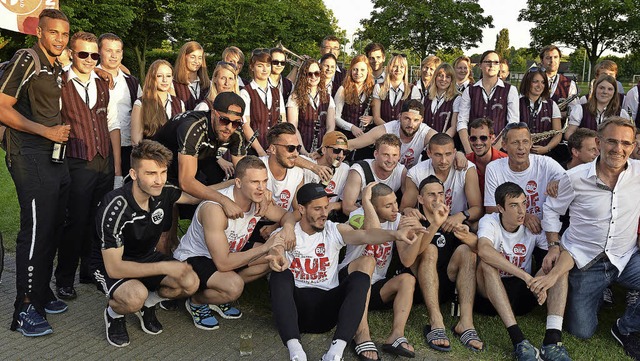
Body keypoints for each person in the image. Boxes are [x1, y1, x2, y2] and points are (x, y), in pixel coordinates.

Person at [268, 182, 425, 361]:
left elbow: (366, 235)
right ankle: (296, 352)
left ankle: (335, 354)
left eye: (326, 207)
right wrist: (276, 255)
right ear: (302, 209)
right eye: (317, 209)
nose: (324, 213)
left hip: (327, 309)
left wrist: (395, 235)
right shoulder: (287, 233)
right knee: (280, 274)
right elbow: (276, 248)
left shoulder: (333, 229)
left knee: (360, 278)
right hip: (295, 310)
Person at [541, 117, 640, 359]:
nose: (619, 149)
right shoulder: (575, 178)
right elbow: (552, 210)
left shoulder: (638, 174)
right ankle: (594, 295)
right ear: (598, 142)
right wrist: (554, 245)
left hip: (625, 257)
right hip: (586, 261)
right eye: (612, 141)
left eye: (626, 143)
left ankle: (624, 327)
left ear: (633, 146)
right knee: (581, 330)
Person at [0, 8, 71, 337]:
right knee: (36, 229)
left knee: (55, 224)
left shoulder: (56, 65)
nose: (59, 38)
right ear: (39, 32)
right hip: (27, 153)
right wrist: (44, 132)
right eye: (53, 32)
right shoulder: (26, 58)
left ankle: (41, 291)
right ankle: (24, 307)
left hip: (52, 155)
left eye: (64, 33)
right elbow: (1, 105)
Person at [91, 140, 201, 347]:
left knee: (190, 282)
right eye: (151, 174)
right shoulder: (115, 207)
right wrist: (165, 266)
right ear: (134, 174)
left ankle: (148, 304)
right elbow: (114, 268)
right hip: (110, 263)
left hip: (145, 257)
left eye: (162, 172)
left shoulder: (163, 190)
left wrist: (234, 187)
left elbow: (196, 197)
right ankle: (114, 313)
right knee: (134, 297)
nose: (159, 181)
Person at [173, 156, 297, 330]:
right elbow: (223, 263)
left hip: (230, 249)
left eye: (264, 181)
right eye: (255, 182)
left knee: (275, 258)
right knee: (234, 286)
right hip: (197, 257)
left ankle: (220, 294)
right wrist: (265, 247)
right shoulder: (214, 209)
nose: (261, 188)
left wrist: (288, 229)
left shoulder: (257, 199)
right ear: (238, 183)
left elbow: (287, 215)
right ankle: (197, 301)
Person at [54, 31, 120, 300]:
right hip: (77, 160)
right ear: (72, 53)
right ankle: (64, 277)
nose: (90, 59)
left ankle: (90, 270)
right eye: (83, 54)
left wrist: (116, 168)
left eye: (94, 54)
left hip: (104, 160)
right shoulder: (59, 83)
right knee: (75, 221)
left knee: (98, 220)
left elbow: (112, 124)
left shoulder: (104, 84)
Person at [476, 182, 571, 361]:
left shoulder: (532, 226)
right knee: (487, 264)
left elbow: (562, 256)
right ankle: (519, 341)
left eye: (524, 203)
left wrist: (545, 279)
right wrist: (525, 276)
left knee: (560, 268)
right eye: (514, 205)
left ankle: (552, 341)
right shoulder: (489, 221)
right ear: (500, 208)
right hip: (490, 295)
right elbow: (484, 251)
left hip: (522, 293)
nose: (522, 211)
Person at [399, 175, 483, 352]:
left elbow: (482, 249)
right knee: (430, 249)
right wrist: (435, 225)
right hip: (420, 288)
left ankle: (466, 323)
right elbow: (410, 259)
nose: (437, 199)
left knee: (468, 251)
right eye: (431, 195)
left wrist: (466, 235)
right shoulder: (412, 220)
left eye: (440, 194)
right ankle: (436, 320)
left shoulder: (452, 220)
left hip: (446, 284)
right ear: (420, 198)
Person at [339, 183, 417, 360]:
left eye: (395, 202)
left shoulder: (396, 220)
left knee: (407, 279)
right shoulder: (357, 216)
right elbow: (373, 235)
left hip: (375, 286)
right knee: (368, 260)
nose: (395, 209)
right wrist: (365, 201)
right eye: (388, 206)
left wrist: (418, 233)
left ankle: (396, 335)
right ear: (373, 207)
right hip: (350, 283)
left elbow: (407, 260)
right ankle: (361, 334)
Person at [484, 122, 566, 234]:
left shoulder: (546, 163)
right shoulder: (494, 168)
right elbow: (491, 209)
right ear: (504, 145)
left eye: (525, 142)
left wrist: (558, 182)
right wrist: (524, 217)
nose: (521, 148)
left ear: (531, 143)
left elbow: (571, 182)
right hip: (509, 230)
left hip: (542, 229)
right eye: (515, 143)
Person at [400, 133, 483, 230]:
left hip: (456, 224)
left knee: (478, 226)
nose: (443, 160)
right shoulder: (415, 173)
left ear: (454, 152)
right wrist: (409, 211)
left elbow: (477, 209)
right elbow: (403, 208)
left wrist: (460, 216)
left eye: (448, 154)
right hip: (426, 226)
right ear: (429, 153)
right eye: (438, 155)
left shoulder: (467, 169)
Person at [97, 32, 142, 184]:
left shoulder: (132, 82)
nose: (113, 55)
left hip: (127, 146)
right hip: (99, 148)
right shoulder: (90, 78)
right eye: (109, 50)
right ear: (99, 52)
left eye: (117, 51)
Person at [457, 50, 520, 154]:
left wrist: (495, 149)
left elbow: (512, 123)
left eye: (496, 62)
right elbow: (462, 122)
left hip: (499, 149)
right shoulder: (469, 90)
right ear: (480, 65)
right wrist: (469, 150)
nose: (492, 65)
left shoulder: (510, 90)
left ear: (500, 66)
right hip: (473, 147)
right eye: (488, 62)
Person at [347, 99, 436, 169]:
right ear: (399, 117)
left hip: (407, 178)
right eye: (407, 118)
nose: (411, 124)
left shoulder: (425, 132)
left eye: (416, 120)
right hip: (382, 174)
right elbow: (353, 144)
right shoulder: (388, 129)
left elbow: (445, 144)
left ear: (421, 120)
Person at [342, 134, 407, 216]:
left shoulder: (402, 172)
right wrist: (378, 218)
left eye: (394, 155)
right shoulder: (358, 171)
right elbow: (347, 208)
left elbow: (407, 205)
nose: (390, 160)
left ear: (399, 156)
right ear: (376, 154)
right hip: (360, 217)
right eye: (386, 155)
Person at [239, 48, 286, 156]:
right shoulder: (245, 92)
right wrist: (260, 151)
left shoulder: (276, 92)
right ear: (252, 67)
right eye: (260, 66)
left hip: (275, 149)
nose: (265, 70)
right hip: (254, 151)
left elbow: (283, 121)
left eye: (268, 65)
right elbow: (245, 126)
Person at [287, 59, 335, 156]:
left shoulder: (328, 97)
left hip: (322, 150)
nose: (313, 77)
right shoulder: (294, 97)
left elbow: (331, 126)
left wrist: (322, 148)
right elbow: (293, 127)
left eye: (317, 73)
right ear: (304, 75)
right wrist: (304, 152)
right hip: (301, 149)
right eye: (309, 74)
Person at [130, 60, 184, 144]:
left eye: (168, 76)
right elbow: (136, 141)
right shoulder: (140, 104)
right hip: (150, 155)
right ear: (152, 77)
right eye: (159, 76)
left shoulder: (179, 103)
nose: (165, 80)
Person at [334, 55, 376, 161]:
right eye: (355, 69)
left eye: (362, 70)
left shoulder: (373, 89)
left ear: (368, 71)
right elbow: (336, 117)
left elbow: (378, 114)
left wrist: (372, 119)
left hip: (365, 140)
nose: (358, 73)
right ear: (351, 70)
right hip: (345, 138)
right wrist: (352, 127)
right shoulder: (342, 89)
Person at [301, 131, 351, 216]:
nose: (341, 155)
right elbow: (292, 159)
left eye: (345, 152)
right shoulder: (306, 163)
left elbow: (348, 203)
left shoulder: (345, 169)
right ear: (324, 150)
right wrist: (314, 167)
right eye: (336, 150)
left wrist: (333, 206)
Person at [565, 74, 629, 140]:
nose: (605, 92)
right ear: (595, 89)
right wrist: (579, 146)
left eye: (610, 89)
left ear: (614, 92)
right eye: (601, 88)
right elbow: (569, 132)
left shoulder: (621, 114)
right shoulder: (580, 109)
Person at [519, 68, 562, 156]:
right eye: (535, 82)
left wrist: (547, 148)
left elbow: (558, 133)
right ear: (527, 83)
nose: (540, 85)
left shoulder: (552, 105)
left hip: (545, 155)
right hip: (520, 153)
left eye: (543, 82)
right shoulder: (517, 103)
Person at [465, 117, 507, 200]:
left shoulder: (505, 161)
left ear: (492, 139)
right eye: (473, 138)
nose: (478, 142)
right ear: (469, 140)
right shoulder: (465, 161)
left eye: (483, 138)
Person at [420, 63, 459, 136]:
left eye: (447, 77)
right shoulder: (426, 98)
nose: (443, 79)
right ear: (435, 77)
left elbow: (454, 127)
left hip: (444, 143)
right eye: (440, 76)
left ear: (451, 80)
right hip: (425, 142)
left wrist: (441, 142)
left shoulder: (456, 99)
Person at [371, 54, 411, 125]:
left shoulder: (413, 89)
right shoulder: (378, 87)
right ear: (389, 68)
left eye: (402, 67)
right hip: (383, 132)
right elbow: (376, 118)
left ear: (405, 70)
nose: (398, 69)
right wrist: (389, 131)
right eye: (395, 66)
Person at [173, 41, 210, 111]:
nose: (197, 61)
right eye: (193, 57)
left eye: (200, 58)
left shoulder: (209, 85)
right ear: (184, 58)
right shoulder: (173, 84)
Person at [539, 45, 578, 110]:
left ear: (559, 60)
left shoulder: (570, 84)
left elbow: (574, 111)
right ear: (542, 61)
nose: (552, 61)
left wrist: (557, 115)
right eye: (548, 57)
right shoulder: (532, 82)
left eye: (556, 57)